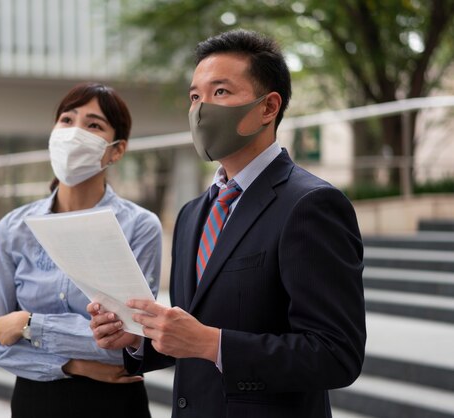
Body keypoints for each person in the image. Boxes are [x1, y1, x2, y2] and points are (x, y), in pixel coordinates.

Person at [89, 29, 366, 418]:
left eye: (220, 92)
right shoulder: (191, 214)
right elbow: (192, 333)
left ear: (268, 107)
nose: (201, 109)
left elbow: (337, 354)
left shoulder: (311, 205)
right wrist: (138, 339)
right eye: (195, 96)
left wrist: (211, 344)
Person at [0, 82, 162, 418]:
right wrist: (75, 364)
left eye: (93, 125)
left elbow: (130, 340)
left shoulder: (139, 227)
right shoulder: (13, 229)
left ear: (116, 150)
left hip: (115, 404)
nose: (74, 132)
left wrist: (29, 323)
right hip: (36, 402)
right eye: (66, 120)